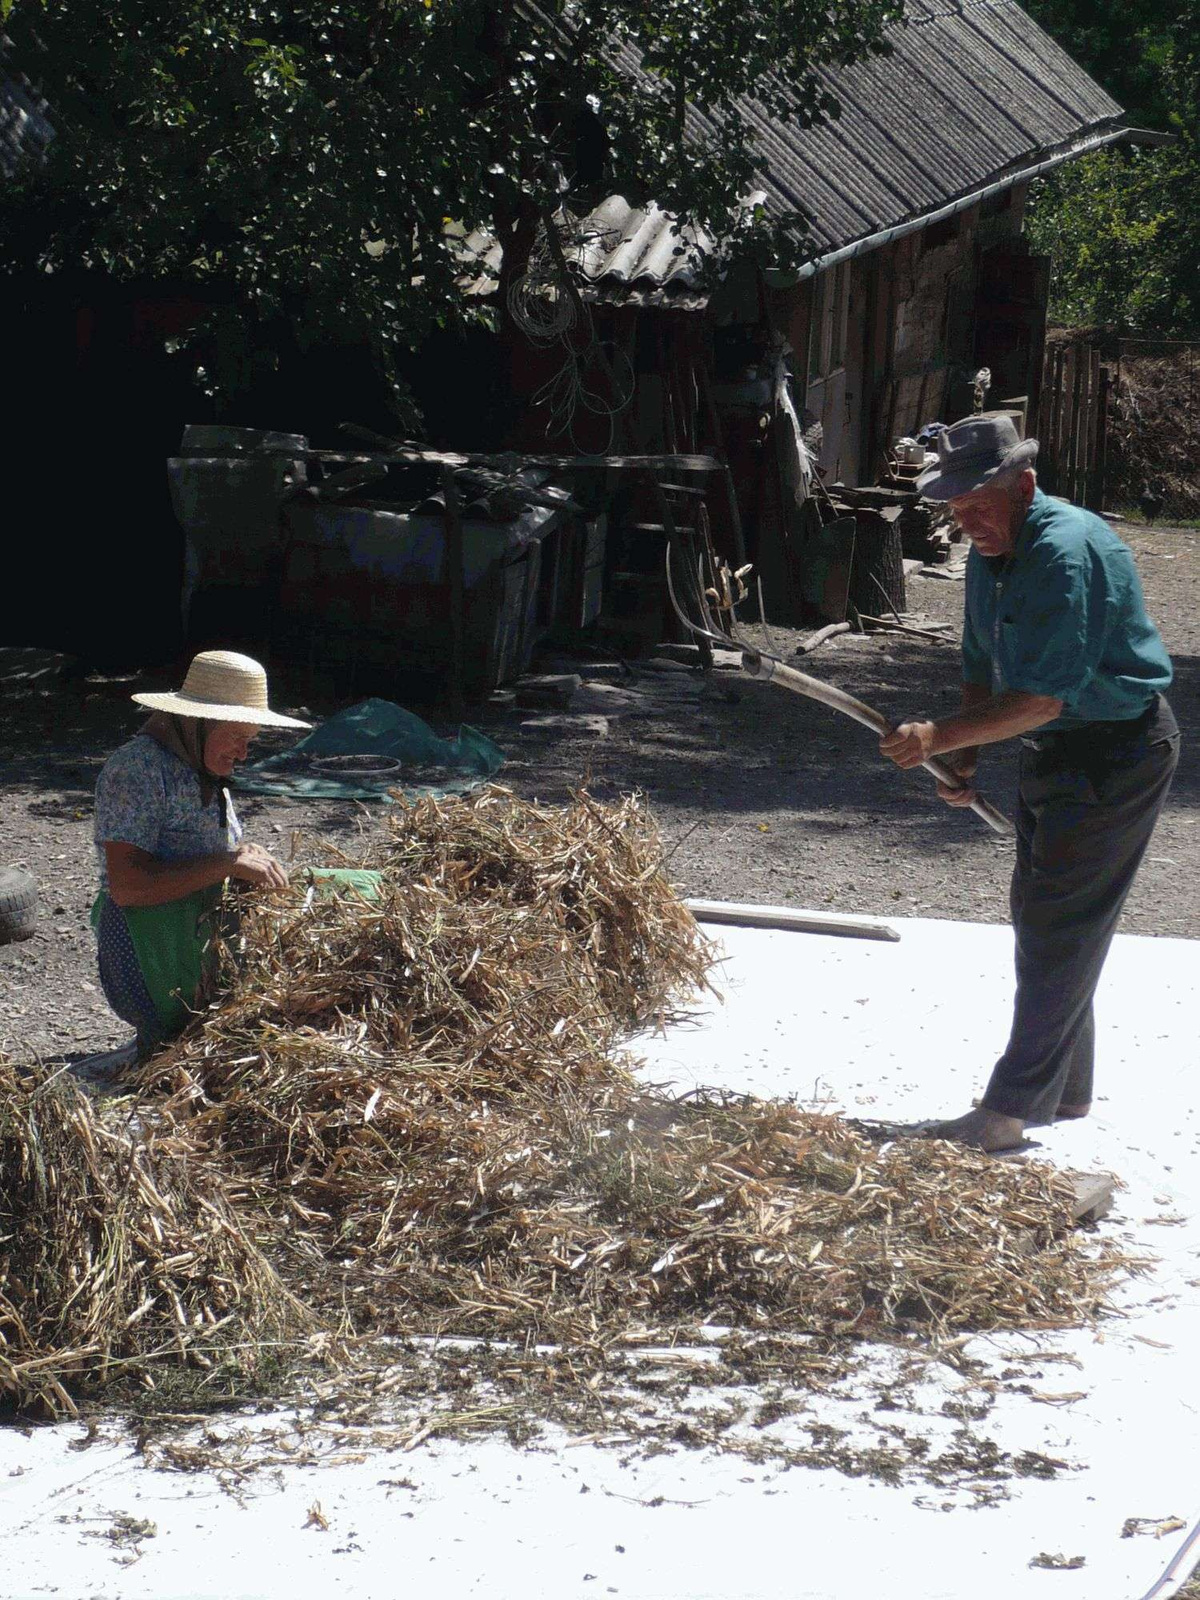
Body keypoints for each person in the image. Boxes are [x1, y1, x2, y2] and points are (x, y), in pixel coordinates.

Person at [878, 415, 1178, 1151]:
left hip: (1117, 752)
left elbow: (1045, 697)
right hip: (1057, 751)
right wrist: (964, 758)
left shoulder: (1062, 551)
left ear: (1025, 485)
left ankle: (1007, 1112)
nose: (968, 520)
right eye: (955, 508)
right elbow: (981, 656)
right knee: (1046, 923)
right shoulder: (991, 545)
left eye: (979, 502)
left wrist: (937, 738)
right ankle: (1064, 1093)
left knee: (1059, 927)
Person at [92, 650, 310, 1052]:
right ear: (196, 722)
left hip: (197, 933)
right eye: (237, 737)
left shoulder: (199, 767)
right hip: (152, 947)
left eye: (249, 741)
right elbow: (127, 887)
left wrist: (242, 854)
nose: (244, 753)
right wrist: (226, 863)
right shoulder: (137, 771)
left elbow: (201, 848)